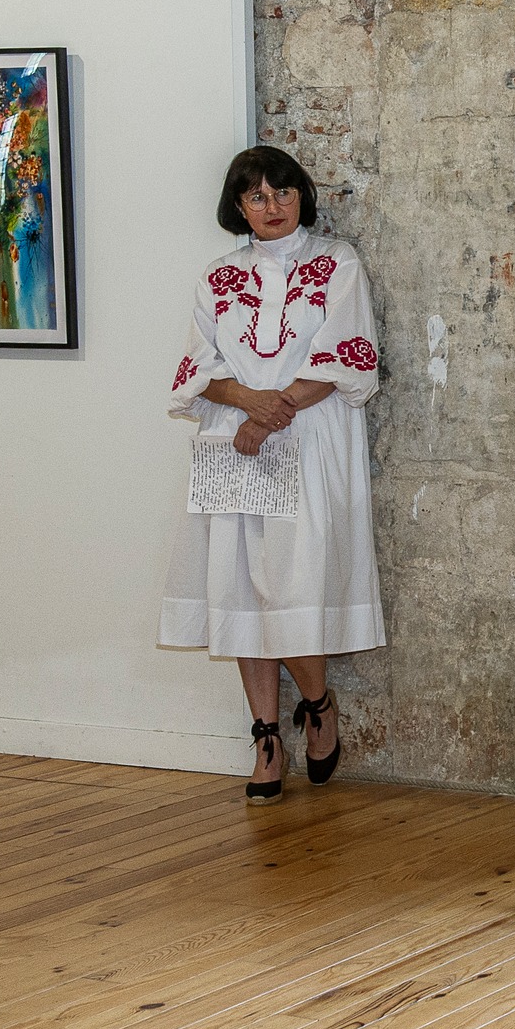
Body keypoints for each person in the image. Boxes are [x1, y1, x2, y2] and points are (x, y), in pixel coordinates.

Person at [161, 146, 386, 803]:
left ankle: (317, 702)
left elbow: (347, 355)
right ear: (238, 206)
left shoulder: (336, 264)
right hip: (232, 442)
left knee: (290, 583)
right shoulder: (218, 275)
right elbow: (197, 366)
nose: (272, 206)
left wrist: (273, 411)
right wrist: (246, 407)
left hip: (307, 441)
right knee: (237, 588)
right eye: (256, 196)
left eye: (283, 193)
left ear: (300, 196)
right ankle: (264, 736)